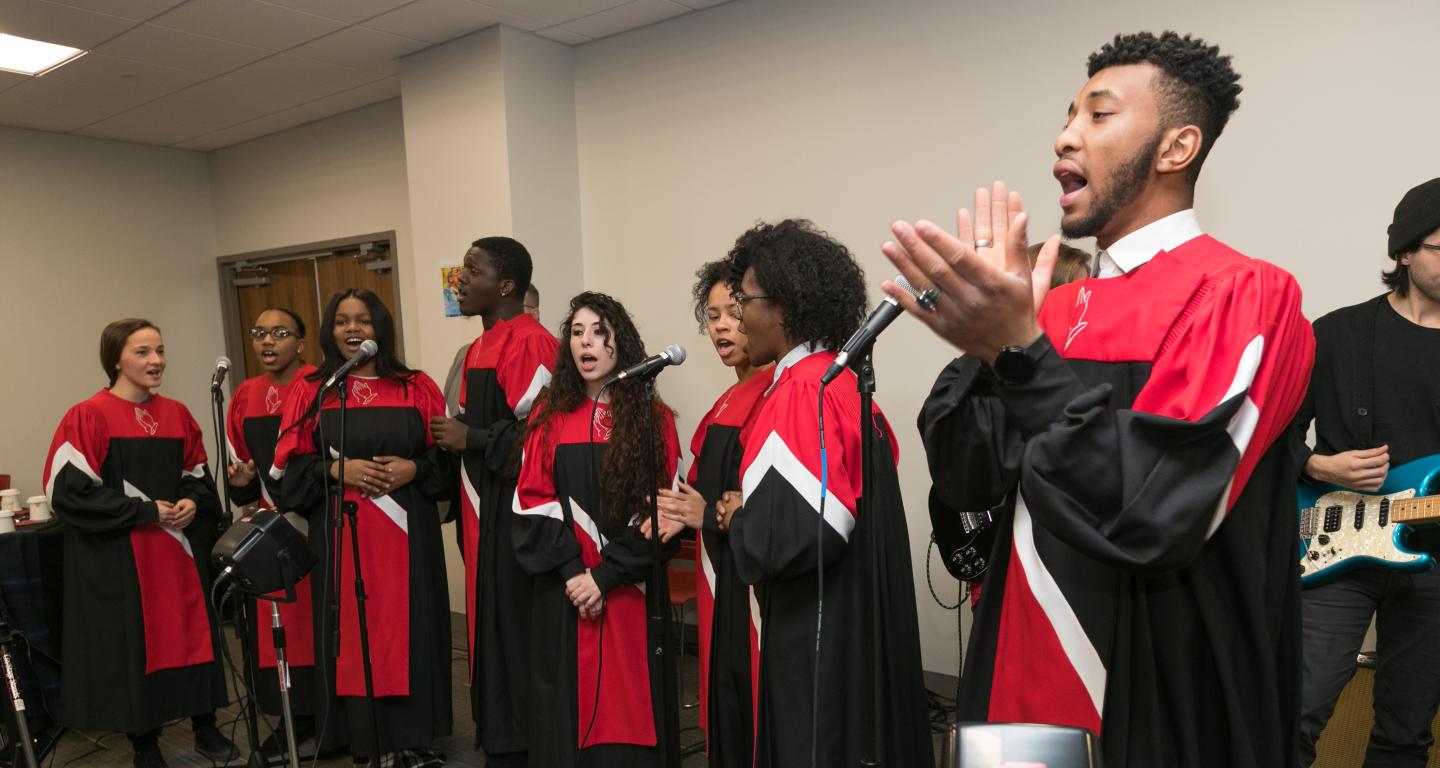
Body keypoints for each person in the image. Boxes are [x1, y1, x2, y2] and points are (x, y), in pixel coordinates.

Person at [896, 32, 1313, 767]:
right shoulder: (1052, 308)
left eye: (1097, 115)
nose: (1064, 135)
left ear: (1176, 147)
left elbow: (1154, 513)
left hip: (1158, 690)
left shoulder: (1245, 294)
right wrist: (987, 343)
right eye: (1066, 115)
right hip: (1015, 675)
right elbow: (967, 483)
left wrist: (1020, 355)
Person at [717, 220, 932, 768]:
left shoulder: (799, 392)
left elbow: (795, 535)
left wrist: (740, 519)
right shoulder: (843, 382)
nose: (738, 315)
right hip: (863, 624)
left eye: (745, 299)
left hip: (816, 633)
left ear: (783, 307)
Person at [42, 318, 237, 768]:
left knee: (191, 638)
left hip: (177, 554)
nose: (157, 361)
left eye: (160, 351)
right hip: (124, 560)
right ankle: (145, 744)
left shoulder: (178, 414)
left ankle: (205, 726)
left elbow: (198, 479)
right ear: (116, 359)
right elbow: (68, 491)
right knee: (136, 649)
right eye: (143, 352)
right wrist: (145, 512)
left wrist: (191, 501)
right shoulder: (88, 415)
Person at [272, 288, 455, 767]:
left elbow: (446, 460)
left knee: (411, 626)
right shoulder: (313, 388)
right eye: (341, 321)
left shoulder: (417, 385)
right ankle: (365, 743)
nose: (352, 329)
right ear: (330, 331)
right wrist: (336, 471)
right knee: (353, 636)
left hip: (408, 531)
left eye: (364, 321)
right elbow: (290, 472)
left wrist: (414, 470)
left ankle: (414, 739)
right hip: (343, 534)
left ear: (382, 329)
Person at [1293, 177, 1440, 767]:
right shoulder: (1338, 334)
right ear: (1405, 252)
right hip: (1337, 548)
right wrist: (1316, 462)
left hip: (1434, 563)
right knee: (1297, 709)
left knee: (1406, 730)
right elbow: (1266, 432)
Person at [513, 291, 683, 768]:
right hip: (564, 591)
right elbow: (531, 501)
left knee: (631, 703)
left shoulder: (652, 419)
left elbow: (665, 513)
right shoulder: (549, 416)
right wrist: (574, 574)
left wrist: (604, 577)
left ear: (620, 344)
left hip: (629, 588)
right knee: (566, 711)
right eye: (577, 332)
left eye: (600, 332)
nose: (586, 342)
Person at [429, 237, 558, 766]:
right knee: (490, 627)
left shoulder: (528, 340)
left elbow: (544, 434)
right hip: (480, 509)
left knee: (515, 630)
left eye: (471, 269)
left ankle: (523, 743)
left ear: (506, 285)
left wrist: (472, 439)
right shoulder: (481, 345)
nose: (459, 278)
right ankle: (498, 737)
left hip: (514, 513)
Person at [652, 260, 773, 767]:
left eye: (733, 312)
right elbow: (701, 485)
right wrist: (672, 509)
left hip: (749, 578)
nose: (721, 324)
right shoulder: (727, 398)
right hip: (712, 571)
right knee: (722, 691)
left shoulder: (774, 391)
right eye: (712, 315)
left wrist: (709, 513)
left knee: (754, 698)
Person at [225, 307, 323, 751]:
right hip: (269, 528)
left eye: (280, 332)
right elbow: (240, 465)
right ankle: (292, 718)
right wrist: (241, 484)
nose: (268, 341)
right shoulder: (244, 395)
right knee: (277, 627)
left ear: (301, 343)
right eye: (259, 333)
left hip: (318, 522)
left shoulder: (319, 385)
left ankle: (331, 716)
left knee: (320, 622)